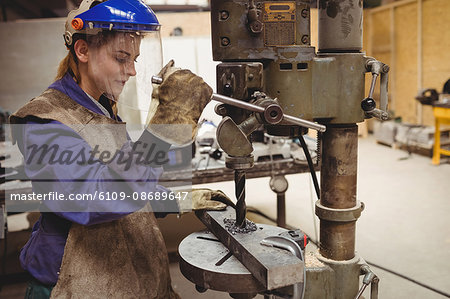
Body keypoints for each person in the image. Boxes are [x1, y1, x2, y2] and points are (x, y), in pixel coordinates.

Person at [9, 0, 233, 298]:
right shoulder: (44, 120)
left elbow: (119, 175)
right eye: (121, 57)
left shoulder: (101, 107)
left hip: (119, 277)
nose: (131, 71)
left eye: (135, 59)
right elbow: (96, 198)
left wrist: (171, 200)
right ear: (83, 50)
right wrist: (161, 132)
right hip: (72, 285)